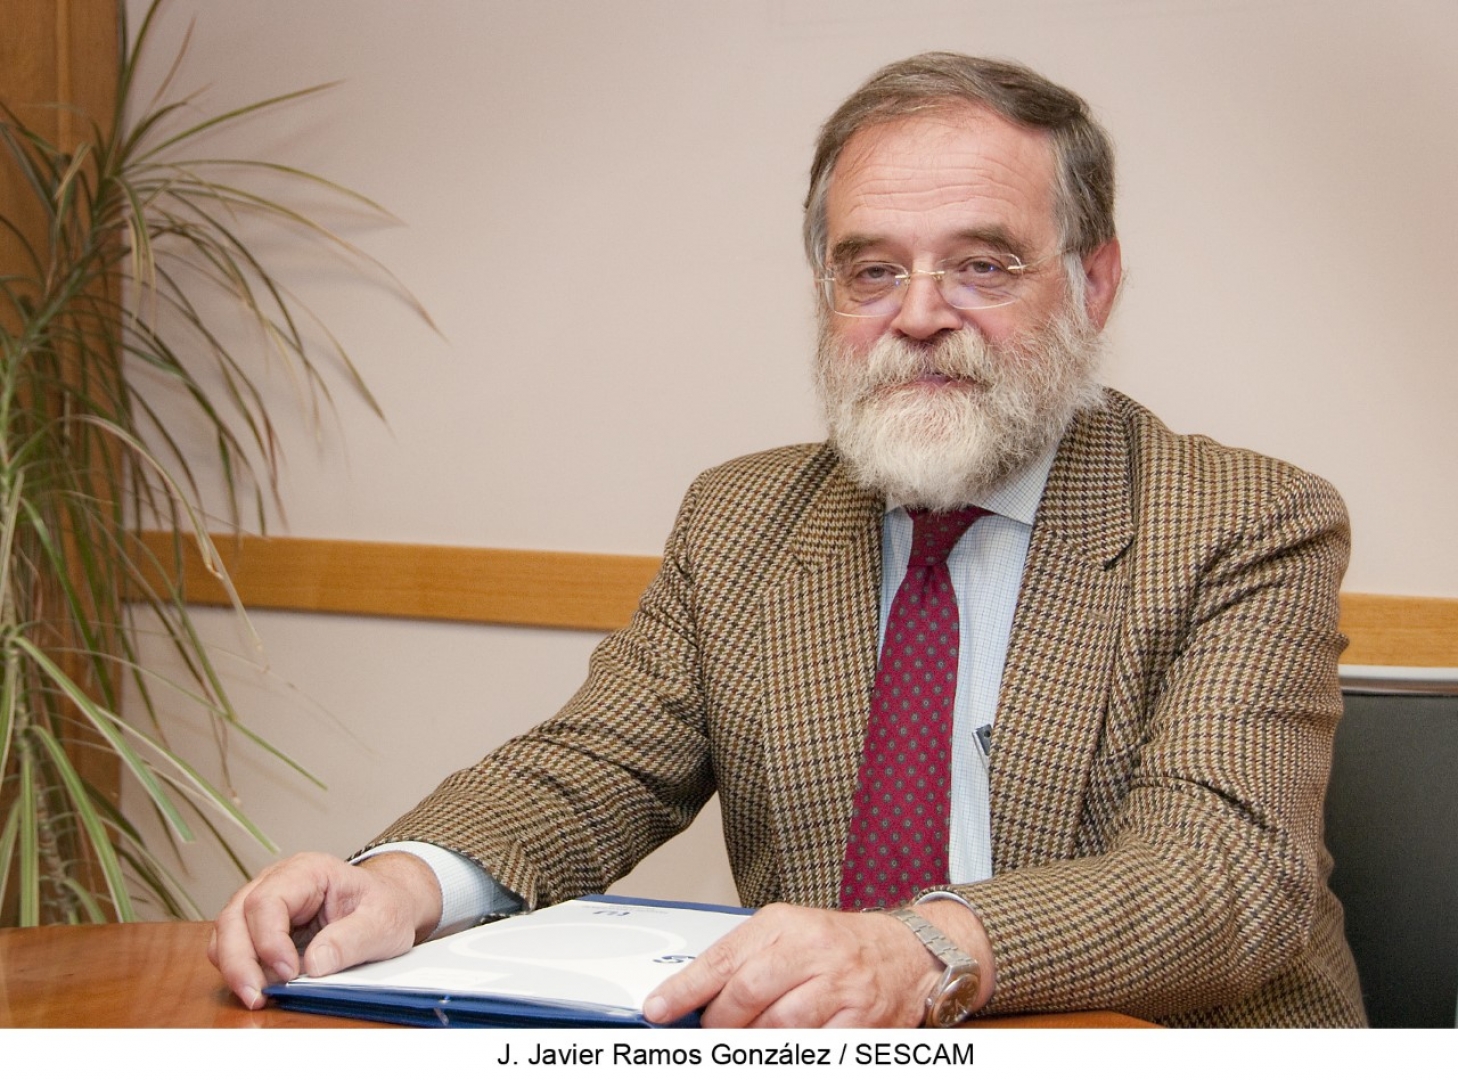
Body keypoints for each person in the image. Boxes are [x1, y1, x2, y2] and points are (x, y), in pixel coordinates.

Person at [210, 52, 1366, 1028]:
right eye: (873, 270)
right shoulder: (744, 519)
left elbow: (1224, 876)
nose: (920, 314)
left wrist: (922, 950)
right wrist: (404, 881)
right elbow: (590, 768)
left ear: (1094, 281)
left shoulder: (1242, 520)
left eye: (981, 265)